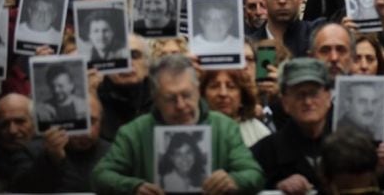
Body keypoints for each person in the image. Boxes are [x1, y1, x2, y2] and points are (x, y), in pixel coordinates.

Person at [91, 55, 264, 194]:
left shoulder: (224, 128)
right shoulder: (134, 132)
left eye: (187, 95)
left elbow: (254, 174)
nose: (181, 105)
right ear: (156, 98)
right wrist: (133, 187)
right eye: (170, 98)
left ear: (198, 91)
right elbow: (101, 176)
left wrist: (233, 181)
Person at [251, 58, 334, 192]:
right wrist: (276, 188)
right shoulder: (265, 152)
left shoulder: (351, 147)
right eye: (300, 95)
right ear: (285, 103)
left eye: (313, 93)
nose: (307, 101)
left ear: (328, 97)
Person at [201, 69, 272, 147]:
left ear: (243, 96)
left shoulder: (258, 132)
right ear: (203, 94)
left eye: (231, 87)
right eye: (214, 86)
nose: (223, 93)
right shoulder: (194, 130)